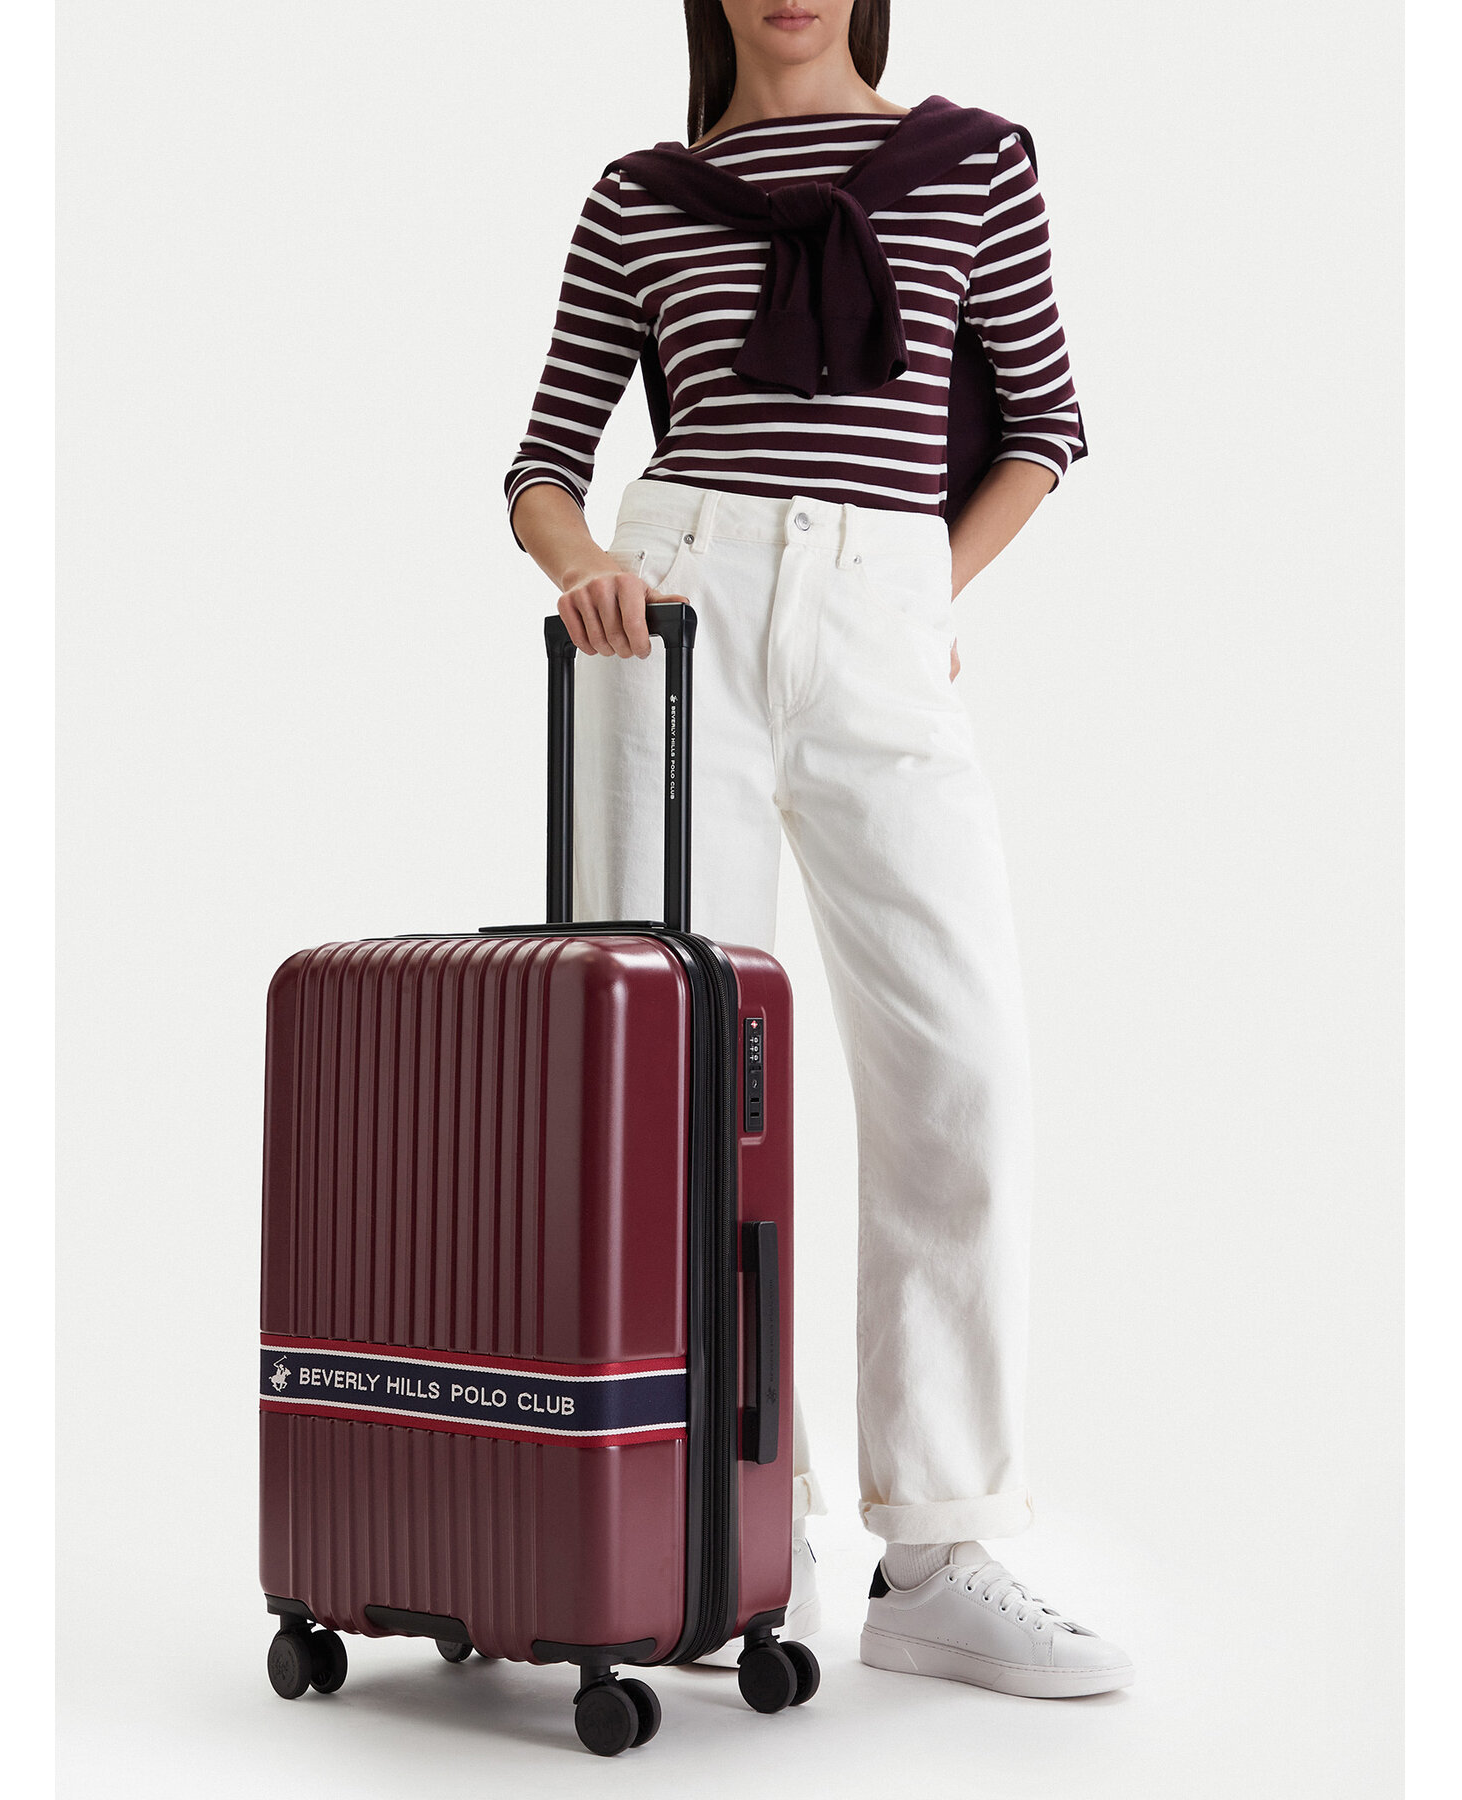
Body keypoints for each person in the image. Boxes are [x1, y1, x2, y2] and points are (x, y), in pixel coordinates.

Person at [504, 0, 1133, 1699]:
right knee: (677, 1096)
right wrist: (584, 572)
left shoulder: (971, 162)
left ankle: (937, 1552)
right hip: (672, 624)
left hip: (878, 619)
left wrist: (915, 598)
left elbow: (1041, 428)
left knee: (962, 1070)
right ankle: (715, 1535)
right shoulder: (643, 193)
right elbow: (545, 463)